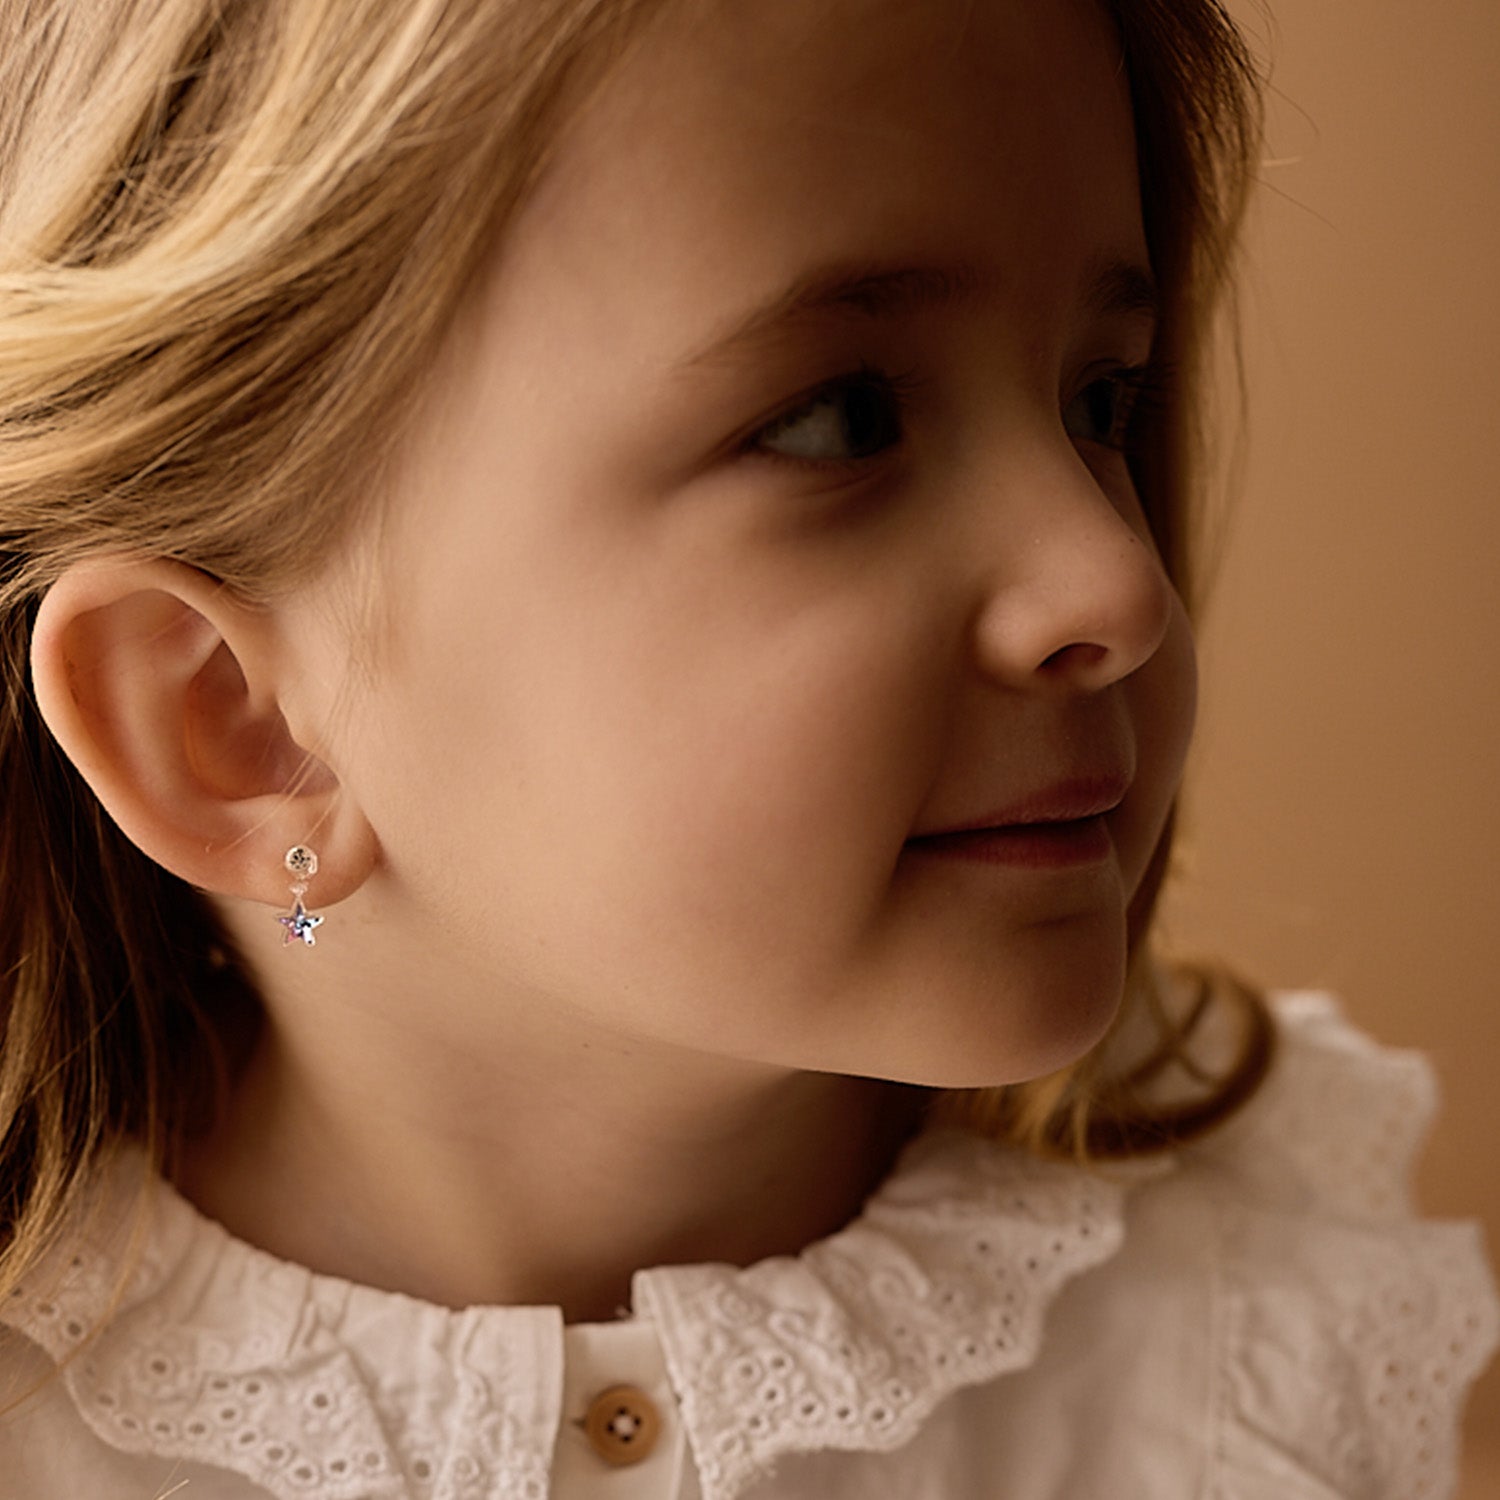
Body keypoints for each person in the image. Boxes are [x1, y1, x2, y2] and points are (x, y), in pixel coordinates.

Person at [0, 0, 1494, 1495]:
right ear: (233, 727)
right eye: (838, 422)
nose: (1117, 581)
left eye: (1099, 400)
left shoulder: (1262, 1342)